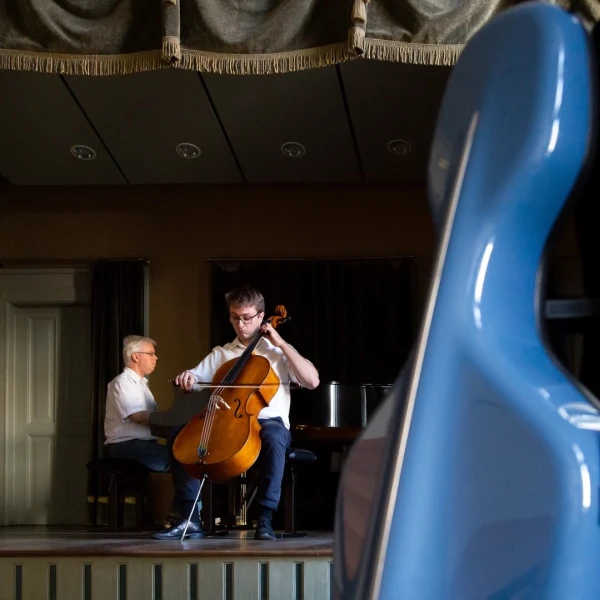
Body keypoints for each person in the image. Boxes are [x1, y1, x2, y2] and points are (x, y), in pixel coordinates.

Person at [152, 285, 319, 541]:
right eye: (234, 317)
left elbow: (312, 381)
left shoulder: (278, 353)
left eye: (247, 318)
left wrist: (281, 343)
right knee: (178, 437)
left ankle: (265, 518)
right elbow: (195, 378)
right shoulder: (222, 353)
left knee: (274, 437)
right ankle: (190, 517)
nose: (240, 324)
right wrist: (188, 377)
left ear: (261, 317)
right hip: (226, 422)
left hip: (269, 423)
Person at [104, 335, 202, 536]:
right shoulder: (122, 383)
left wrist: (186, 428)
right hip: (125, 445)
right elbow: (138, 417)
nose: (156, 358)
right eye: (151, 354)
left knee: (191, 456)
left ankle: (184, 517)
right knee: (184, 460)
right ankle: (186, 518)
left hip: (141, 444)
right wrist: (175, 420)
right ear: (136, 356)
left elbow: (156, 424)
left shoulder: (142, 385)